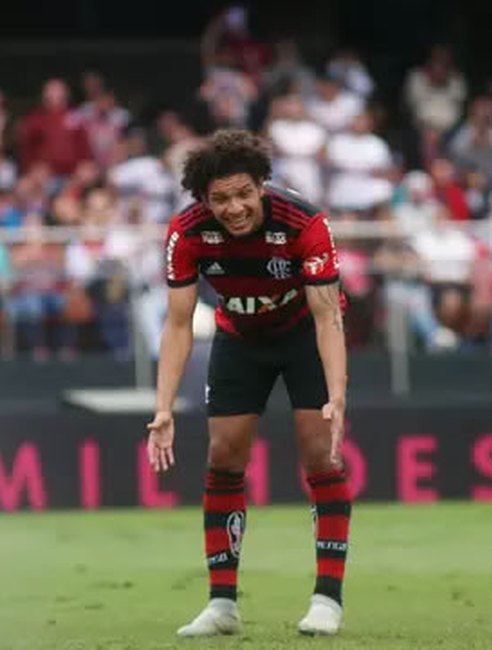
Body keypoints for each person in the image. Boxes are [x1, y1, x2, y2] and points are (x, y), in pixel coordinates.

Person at [145, 130, 351, 637]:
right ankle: (222, 605)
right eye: (219, 199)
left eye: (242, 193)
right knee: (224, 453)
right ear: (203, 199)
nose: (233, 208)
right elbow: (177, 324)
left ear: (262, 185)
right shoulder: (187, 232)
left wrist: (337, 393)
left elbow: (328, 318)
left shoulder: (305, 223)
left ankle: (327, 598)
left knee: (318, 451)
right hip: (239, 337)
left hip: (303, 335)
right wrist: (164, 407)